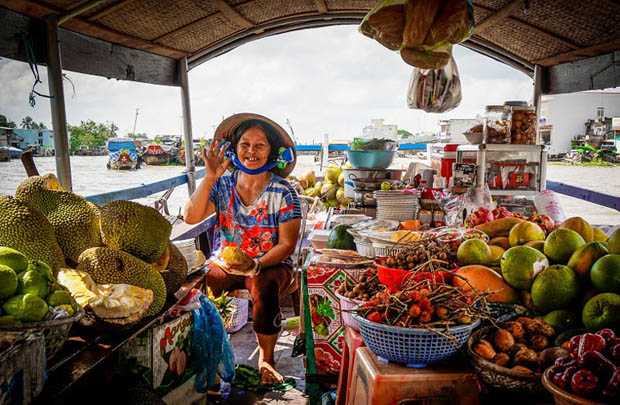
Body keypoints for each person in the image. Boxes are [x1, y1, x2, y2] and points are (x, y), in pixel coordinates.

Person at [184, 114, 301, 386]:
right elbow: (190, 217)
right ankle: (210, 350)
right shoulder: (223, 186)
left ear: (271, 151)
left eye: (260, 145)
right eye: (245, 144)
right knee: (202, 283)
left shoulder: (283, 192)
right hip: (226, 261)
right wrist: (210, 177)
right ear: (234, 150)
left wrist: (256, 265)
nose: (252, 151)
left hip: (271, 264)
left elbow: (287, 245)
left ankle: (267, 359)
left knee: (264, 286)